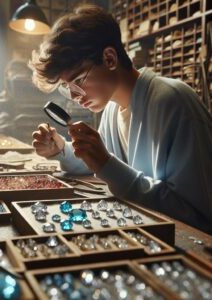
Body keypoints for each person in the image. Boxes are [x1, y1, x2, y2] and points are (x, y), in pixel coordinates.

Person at [30, 4, 212, 233]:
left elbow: (199, 216)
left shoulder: (173, 102)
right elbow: (106, 164)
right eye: (67, 88)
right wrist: (61, 149)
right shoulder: (112, 110)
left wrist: (106, 165)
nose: (75, 96)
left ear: (109, 59)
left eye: (78, 81)